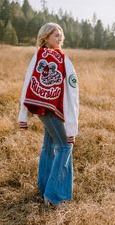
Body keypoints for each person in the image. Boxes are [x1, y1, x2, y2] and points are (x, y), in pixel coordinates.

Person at [17, 22, 79, 207]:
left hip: (47, 108)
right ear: (45, 39)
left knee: (49, 145)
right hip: (50, 108)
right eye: (55, 35)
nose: (60, 37)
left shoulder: (46, 55)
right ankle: (53, 196)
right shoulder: (49, 56)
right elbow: (29, 81)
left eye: (61, 34)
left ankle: (43, 186)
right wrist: (23, 113)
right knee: (64, 147)